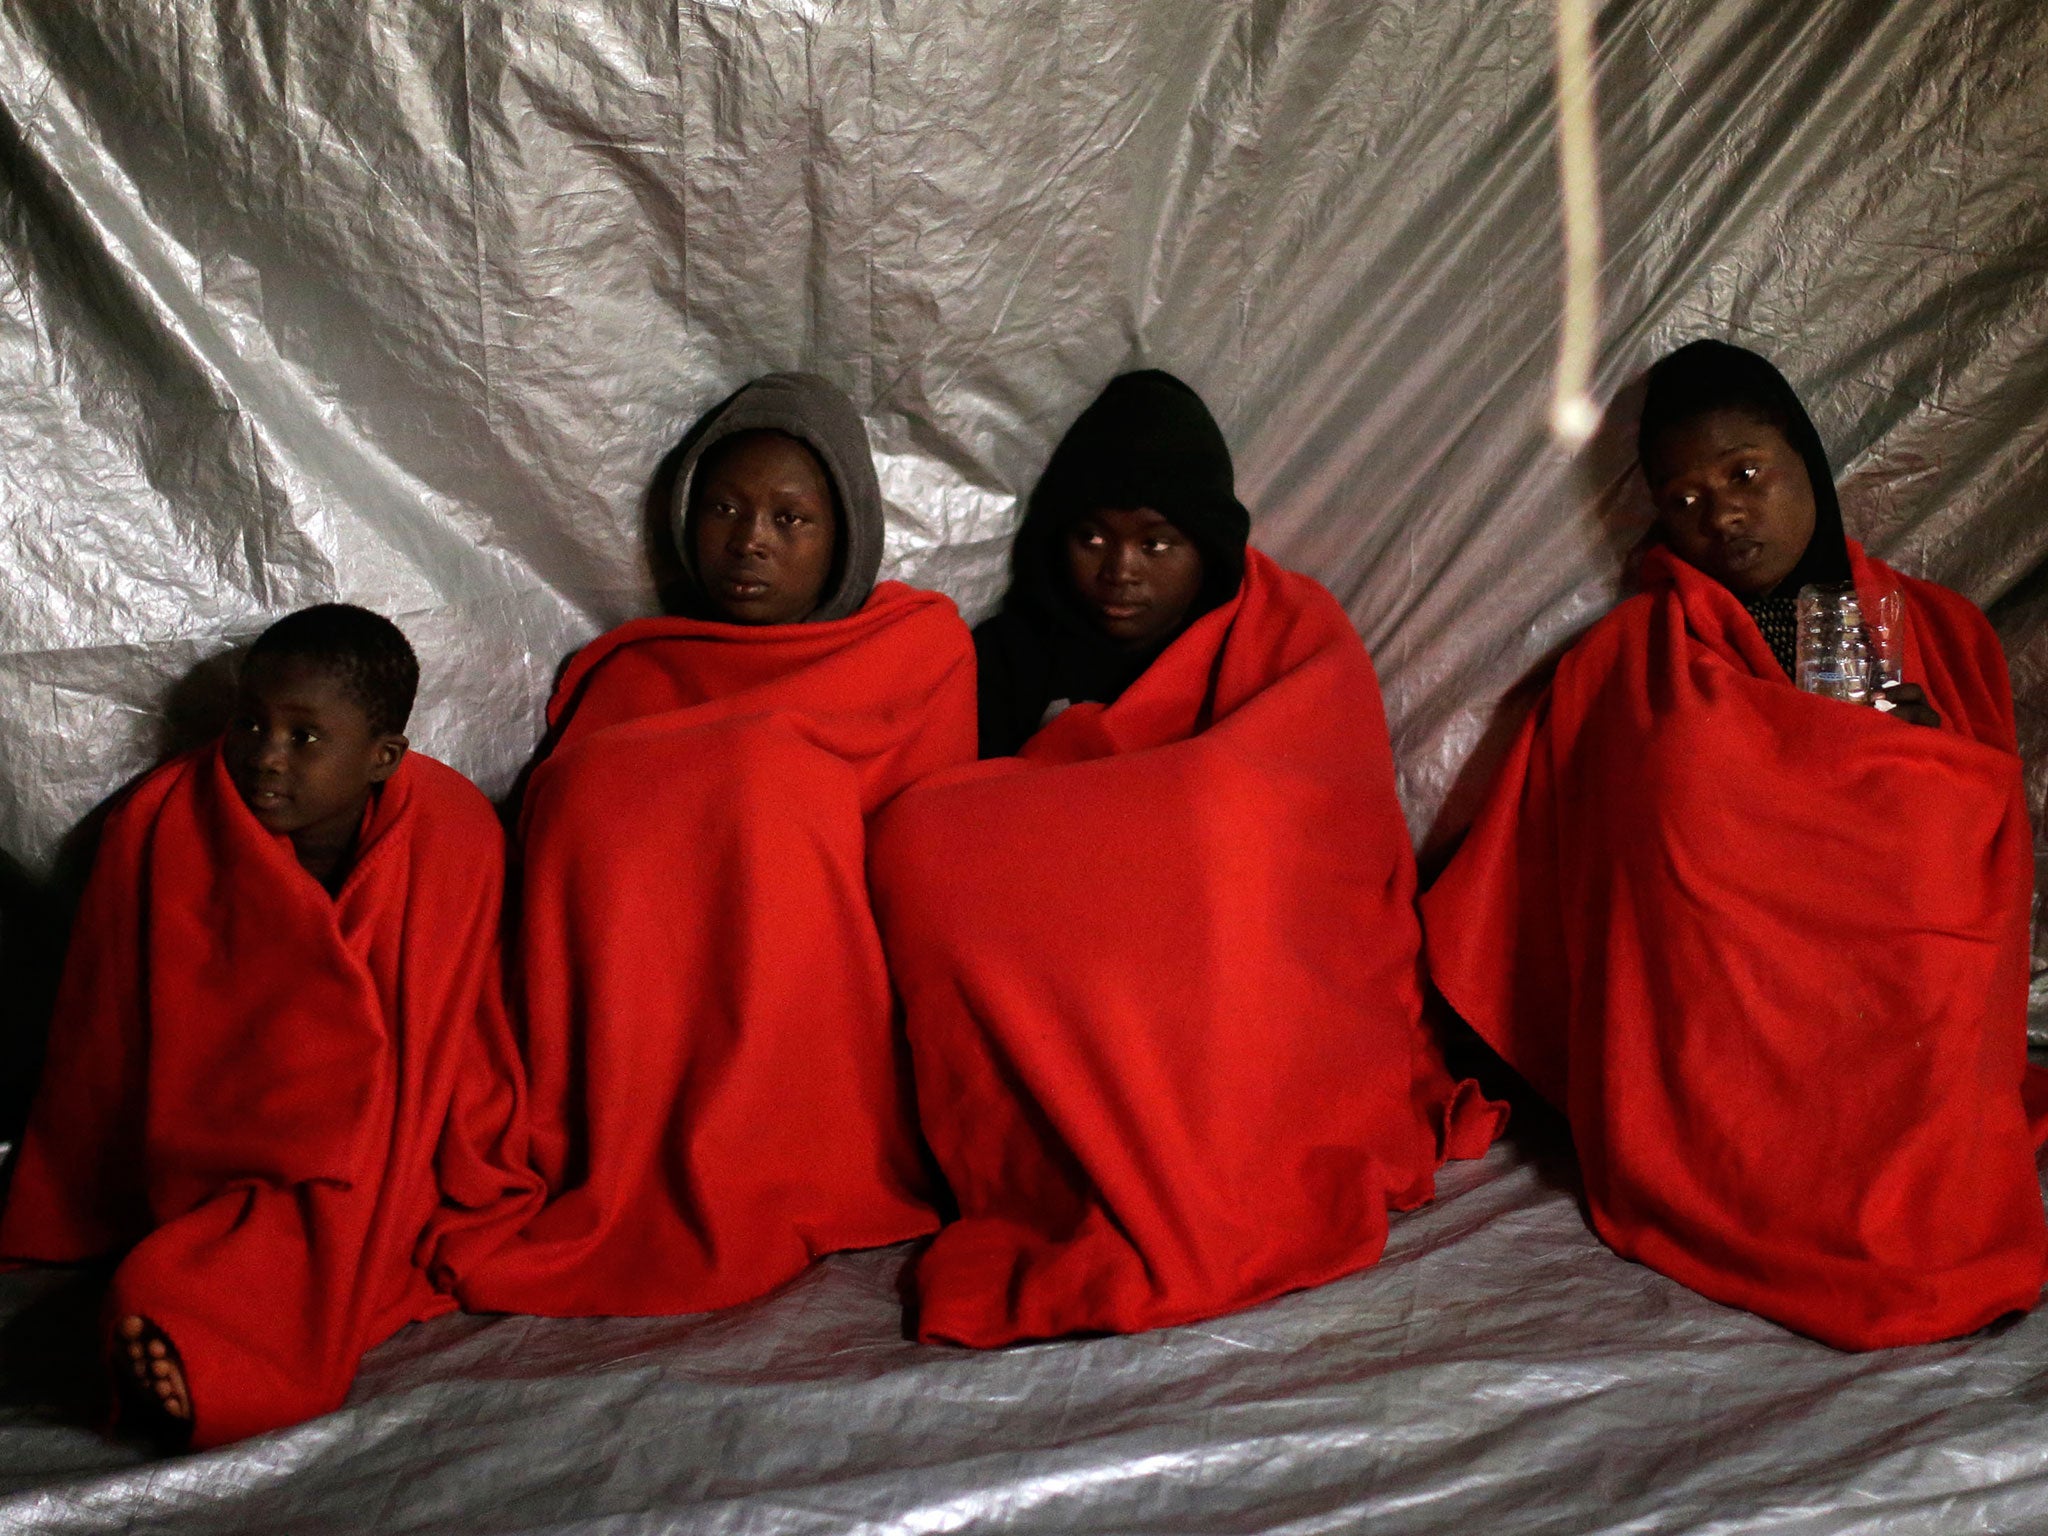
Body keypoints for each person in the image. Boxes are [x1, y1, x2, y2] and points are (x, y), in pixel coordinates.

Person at [1422, 339, 2047, 1349]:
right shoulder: (1630, 662)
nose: (1720, 513)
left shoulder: (1933, 634)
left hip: (1910, 1045)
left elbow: (1982, 878)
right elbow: (1580, 873)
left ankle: (1921, 1204)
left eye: (1744, 475)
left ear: (1805, 461)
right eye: (1683, 497)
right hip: (1724, 1077)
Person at [866, 370, 1504, 1346]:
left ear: (1206, 548)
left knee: (1213, 816)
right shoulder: (1008, 658)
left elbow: (1302, 828)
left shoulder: (1286, 637)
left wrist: (1151, 820)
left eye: (1156, 542)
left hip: (1232, 1000)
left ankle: (1208, 1164)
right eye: (1093, 538)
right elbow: (951, 839)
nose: (1120, 570)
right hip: (1074, 1003)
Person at [451, 372, 977, 1319]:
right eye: (727, 509)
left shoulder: (916, 649)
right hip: (605, 1084)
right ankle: (632, 1157)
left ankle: (750, 1154)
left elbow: (934, 866)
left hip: (825, 1051)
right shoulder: (630, 671)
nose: (750, 543)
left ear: (846, 532)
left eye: (791, 519)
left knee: (772, 775)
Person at [0, 605, 541, 1448]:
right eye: (250, 723)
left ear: (382, 758)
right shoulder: (163, 821)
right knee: (235, 1222)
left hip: (389, 1131)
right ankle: (187, 1327)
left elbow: (446, 1037)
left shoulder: (452, 834)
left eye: (304, 737)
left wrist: (363, 1144)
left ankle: (190, 1344)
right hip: (214, 1127)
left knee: (330, 1222)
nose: (263, 757)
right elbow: (115, 1029)